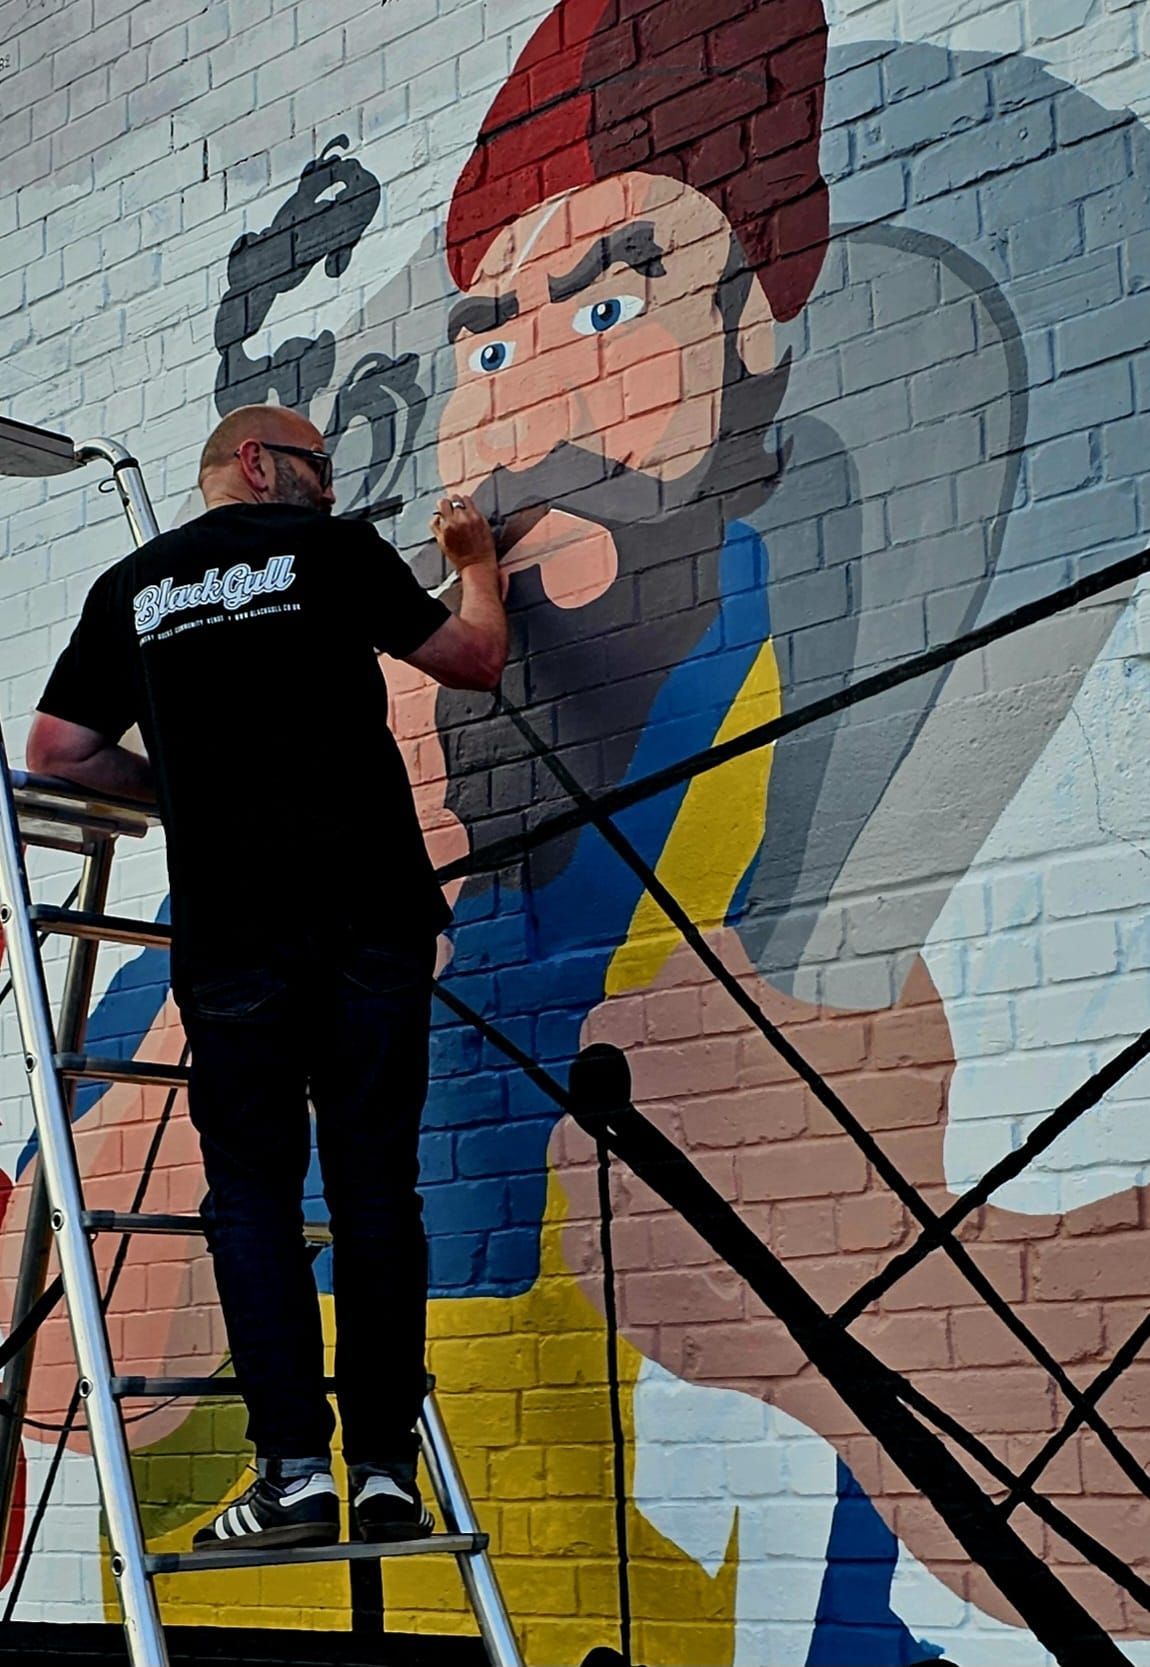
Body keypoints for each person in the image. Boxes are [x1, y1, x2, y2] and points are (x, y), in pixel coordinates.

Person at [25, 403, 508, 1551]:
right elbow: (473, 659)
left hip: (234, 936)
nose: (334, 491)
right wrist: (476, 567)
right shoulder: (331, 553)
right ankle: (385, 1470)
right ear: (258, 463)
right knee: (375, 1189)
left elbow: (57, 750)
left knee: (249, 1196)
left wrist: (185, 792)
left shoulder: (132, 587)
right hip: (368, 918)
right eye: (320, 467)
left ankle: (292, 1475)